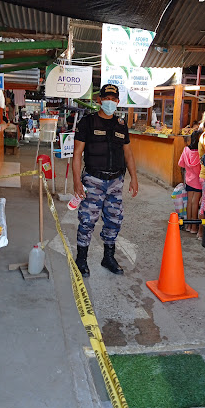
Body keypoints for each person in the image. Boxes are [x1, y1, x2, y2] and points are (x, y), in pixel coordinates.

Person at [72, 84, 138, 277]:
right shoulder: (88, 122)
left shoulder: (120, 124)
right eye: (107, 98)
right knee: (87, 220)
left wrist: (134, 177)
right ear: (99, 100)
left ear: (118, 101)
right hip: (93, 180)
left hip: (116, 181)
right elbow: (77, 154)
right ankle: (81, 259)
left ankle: (108, 257)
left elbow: (128, 153)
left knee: (114, 220)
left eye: (114, 99)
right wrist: (77, 182)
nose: (110, 102)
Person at [178, 130, 202, 234]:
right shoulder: (201, 152)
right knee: (195, 203)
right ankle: (194, 227)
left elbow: (181, 164)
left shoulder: (186, 149)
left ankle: (188, 225)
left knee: (189, 202)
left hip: (188, 179)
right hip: (198, 181)